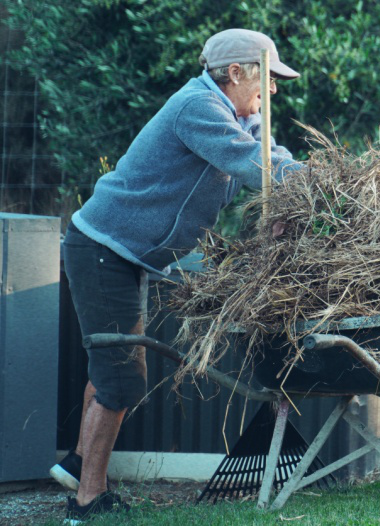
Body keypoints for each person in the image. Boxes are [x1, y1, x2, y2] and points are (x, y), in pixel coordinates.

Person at [52, 29, 304, 523]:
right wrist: (325, 182)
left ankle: (80, 465)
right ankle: (86, 503)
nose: (273, 89)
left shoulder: (238, 114)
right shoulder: (198, 108)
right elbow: (255, 164)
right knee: (122, 377)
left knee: (110, 365)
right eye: (268, 77)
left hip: (124, 254)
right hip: (106, 250)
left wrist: (296, 177)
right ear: (236, 74)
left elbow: (275, 153)